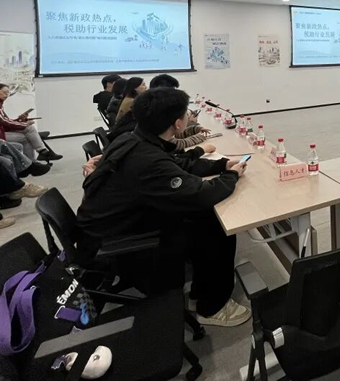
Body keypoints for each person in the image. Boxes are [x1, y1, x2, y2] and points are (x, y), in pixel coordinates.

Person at [77, 88, 251, 327]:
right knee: (215, 227)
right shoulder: (147, 158)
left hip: (109, 224)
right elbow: (202, 194)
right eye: (187, 113)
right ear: (178, 123)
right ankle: (212, 306)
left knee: (203, 218)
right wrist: (231, 175)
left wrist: (222, 165)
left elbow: (176, 165)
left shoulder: (132, 140)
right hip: (117, 238)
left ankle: (202, 290)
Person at [0, 84, 62, 161]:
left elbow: (6, 122)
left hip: (3, 131)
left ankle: (41, 153)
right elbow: (4, 122)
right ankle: (33, 161)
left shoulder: (1, 105)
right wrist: (24, 124)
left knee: (30, 129)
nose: (7, 95)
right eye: (4, 92)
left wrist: (20, 120)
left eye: (8, 93)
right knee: (26, 137)